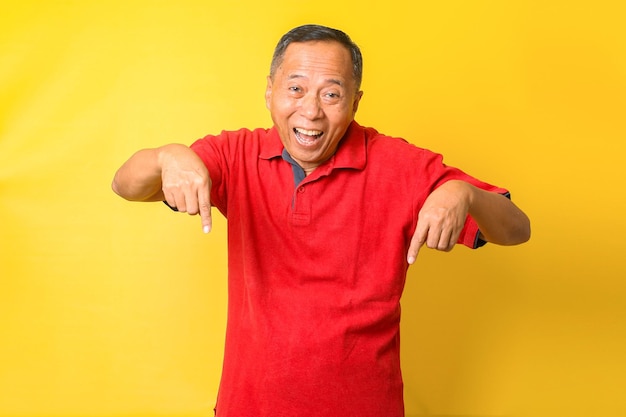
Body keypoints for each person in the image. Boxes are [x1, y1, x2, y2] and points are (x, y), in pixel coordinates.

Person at [112, 24, 530, 417]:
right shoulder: (237, 155)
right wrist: (168, 155)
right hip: (247, 405)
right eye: (295, 89)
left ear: (355, 102)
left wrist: (465, 192)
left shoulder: (400, 166)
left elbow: (517, 229)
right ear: (270, 93)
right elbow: (126, 184)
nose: (310, 111)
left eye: (331, 94)